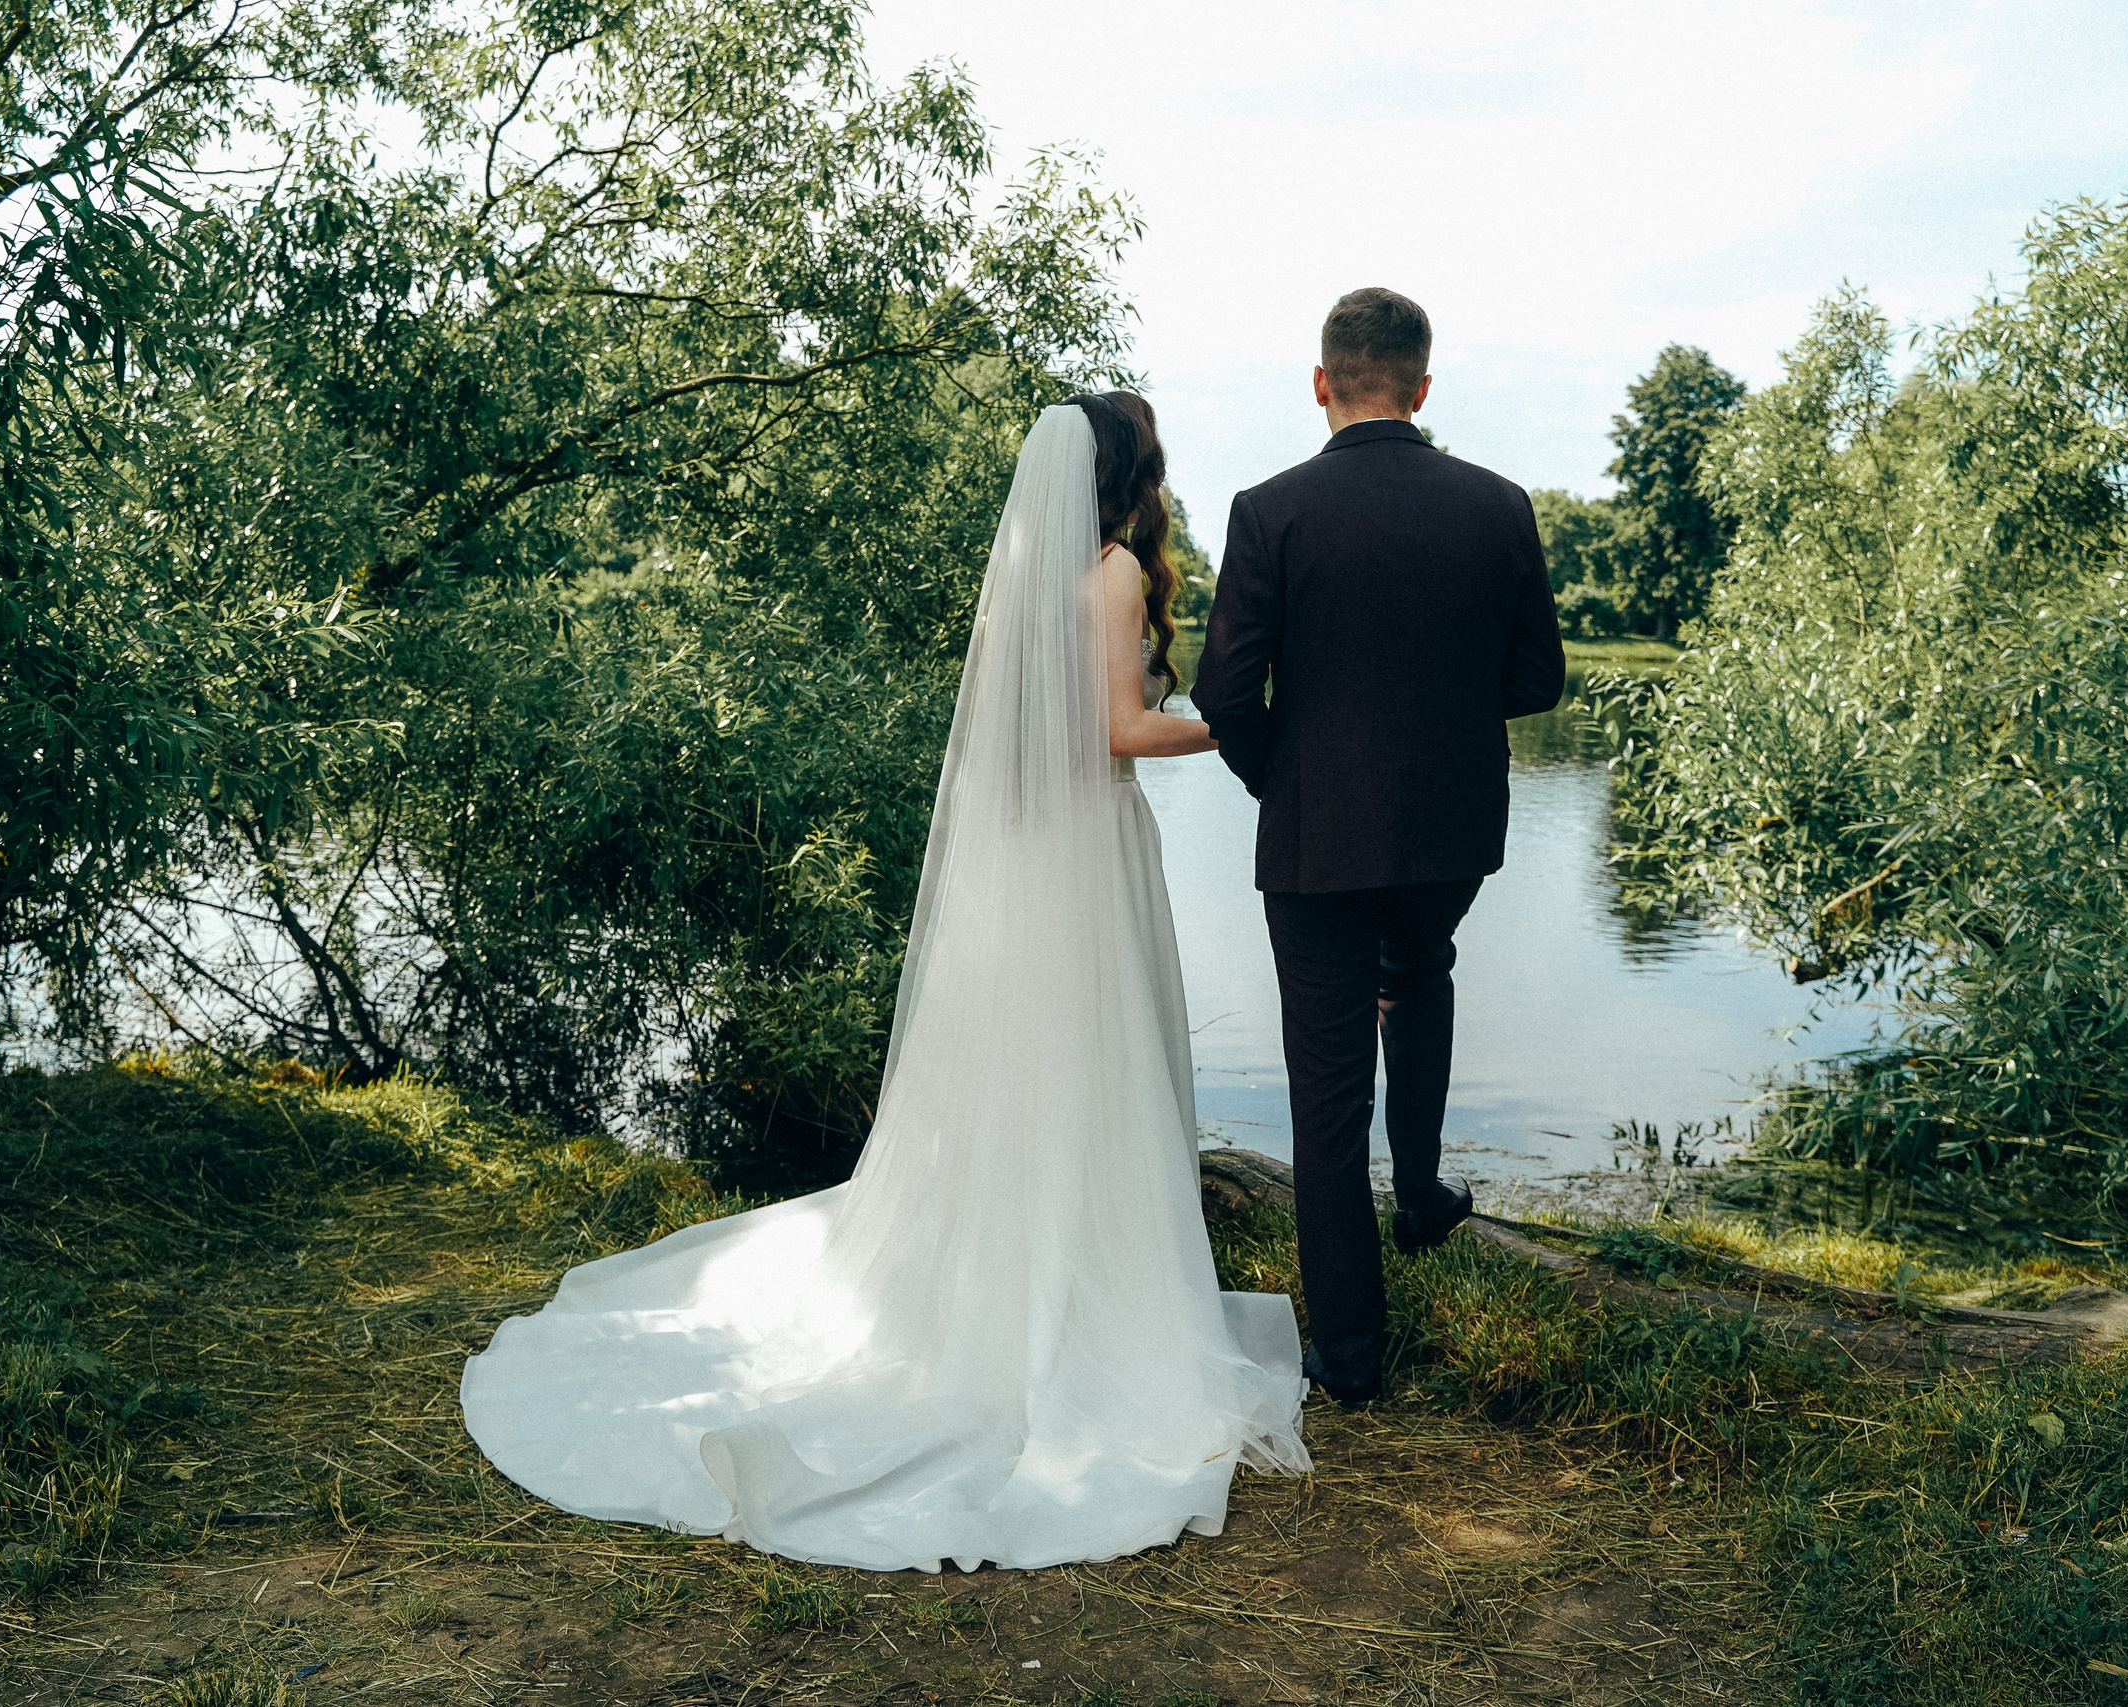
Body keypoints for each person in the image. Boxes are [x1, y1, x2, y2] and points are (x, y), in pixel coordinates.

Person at [460, 393, 1310, 1573]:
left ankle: (1012, 1274)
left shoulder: (1028, 581)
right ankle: (1080, 1288)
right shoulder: (1113, 572)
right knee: (1087, 1065)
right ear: (1131, 475)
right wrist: (1242, 724)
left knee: (1023, 1068)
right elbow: (1117, 731)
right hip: (1085, 851)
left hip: (1025, 857)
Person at [1192, 287, 1566, 1408]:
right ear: (1421, 386)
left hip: (1317, 836)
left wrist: (1284, 777)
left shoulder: (1270, 510)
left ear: (1322, 382)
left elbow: (1225, 692)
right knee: (1421, 970)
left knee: (1326, 1093)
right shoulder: (1498, 505)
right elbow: (1536, 679)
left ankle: (1350, 1355)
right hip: (1451, 830)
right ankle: (1421, 1195)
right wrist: (1443, 717)